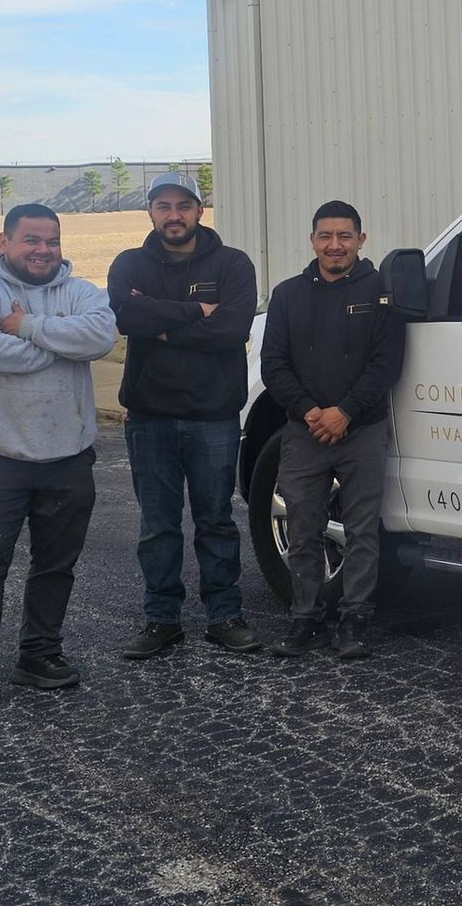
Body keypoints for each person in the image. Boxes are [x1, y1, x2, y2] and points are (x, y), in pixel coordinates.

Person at [0, 203, 116, 713]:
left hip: (67, 456)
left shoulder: (82, 292)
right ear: (4, 241)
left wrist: (22, 327)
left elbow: (100, 337)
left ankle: (39, 654)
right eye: (31, 240)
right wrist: (59, 342)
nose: (43, 250)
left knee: (55, 566)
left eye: (51, 241)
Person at [108, 171, 261, 659]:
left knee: (215, 519)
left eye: (183, 205)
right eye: (162, 206)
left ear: (200, 209)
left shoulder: (233, 264)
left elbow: (233, 329)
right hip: (149, 416)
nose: (173, 215)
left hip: (213, 416)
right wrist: (197, 311)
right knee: (158, 524)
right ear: (150, 212)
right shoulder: (129, 263)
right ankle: (161, 619)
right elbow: (126, 317)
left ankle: (225, 615)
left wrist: (162, 324)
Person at [260, 200, 405, 660]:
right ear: (312, 240)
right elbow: (273, 365)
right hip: (305, 432)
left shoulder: (383, 292)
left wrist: (344, 412)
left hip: (362, 430)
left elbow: (386, 365)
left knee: (363, 530)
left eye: (345, 236)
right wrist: (311, 413)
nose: (335, 245)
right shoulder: (287, 295)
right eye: (326, 235)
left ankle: (354, 619)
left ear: (362, 240)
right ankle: (304, 617)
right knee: (303, 528)